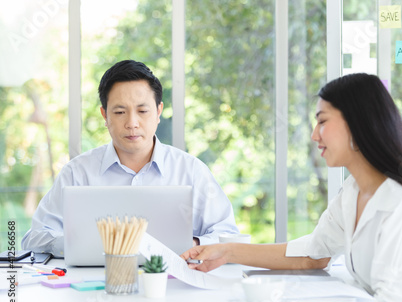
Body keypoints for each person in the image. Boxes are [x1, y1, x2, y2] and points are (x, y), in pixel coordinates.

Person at [181, 73, 402, 302]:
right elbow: (313, 254)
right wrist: (228, 251)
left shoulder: (401, 205)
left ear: (359, 124)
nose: (314, 134)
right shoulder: (354, 190)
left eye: (322, 121)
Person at [22, 60, 239, 257]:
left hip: (172, 287)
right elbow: (34, 238)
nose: (132, 123)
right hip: (93, 287)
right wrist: (77, 244)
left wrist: (193, 243)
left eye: (142, 111)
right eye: (119, 112)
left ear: (158, 111)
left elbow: (228, 233)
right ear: (104, 116)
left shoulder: (191, 171)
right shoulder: (77, 172)